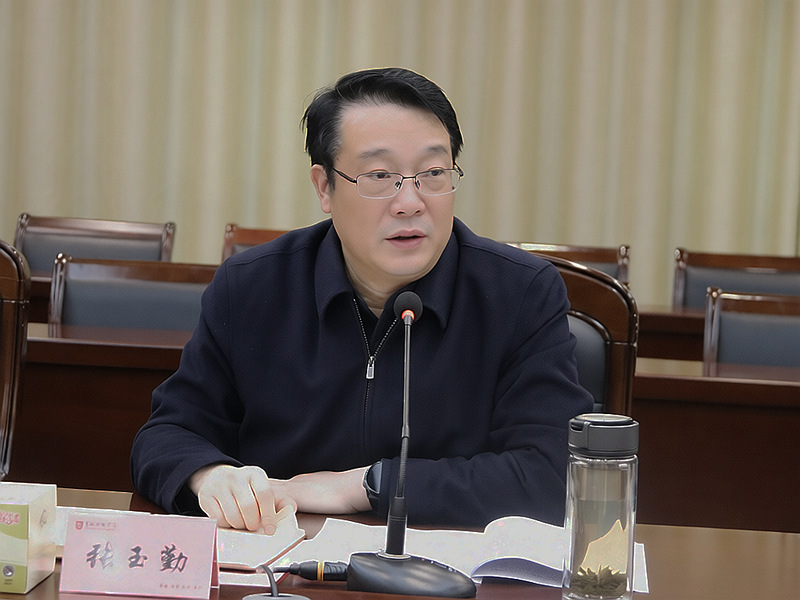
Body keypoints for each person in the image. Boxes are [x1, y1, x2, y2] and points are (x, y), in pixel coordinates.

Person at [130, 67, 592, 533]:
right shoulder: (252, 287)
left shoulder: (518, 293)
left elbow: (552, 475)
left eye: (434, 173)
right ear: (324, 187)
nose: (410, 202)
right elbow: (168, 433)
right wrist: (210, 476)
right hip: (281, 557)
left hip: (443, 565)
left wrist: (366, 485)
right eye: (380, 176)